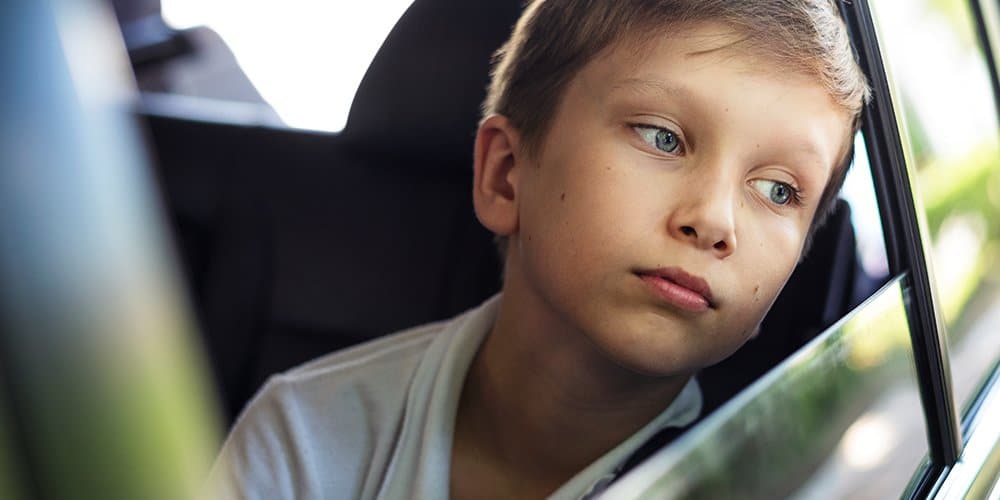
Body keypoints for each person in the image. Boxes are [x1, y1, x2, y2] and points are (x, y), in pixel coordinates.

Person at [209, 1, 870, 498]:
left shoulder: (784, 482)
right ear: (505, 175)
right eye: (662, 137)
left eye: (780, 191)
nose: (716, 220)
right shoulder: (301, 441)